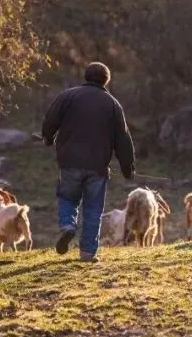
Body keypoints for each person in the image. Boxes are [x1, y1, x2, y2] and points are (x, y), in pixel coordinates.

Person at [41, 62, 135, 262]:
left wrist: (48, 138)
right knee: (93, 209)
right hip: (97, 167)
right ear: (106, 80)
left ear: (86, 76)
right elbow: (123, 139)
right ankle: (87, 253)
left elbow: (50, 120)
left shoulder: (68, 96)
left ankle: (67, 226)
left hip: (69, 162)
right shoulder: (112, 104)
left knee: (68, 197)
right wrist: (127, 167)